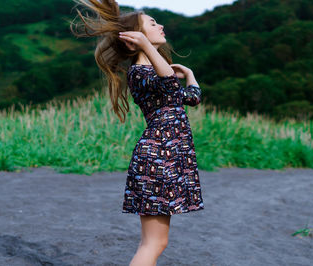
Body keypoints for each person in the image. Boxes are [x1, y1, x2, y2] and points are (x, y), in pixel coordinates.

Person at [70, 1, 204, 265]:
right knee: (154, 242)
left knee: (155, 242)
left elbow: (191, 97)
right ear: (135, 41)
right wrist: (145, 47)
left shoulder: (153, 71)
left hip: (167, 158)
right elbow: (168, 84)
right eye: (152, 24)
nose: (161, 25)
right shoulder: (140, 73)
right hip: (157, 159)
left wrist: (188, 73)